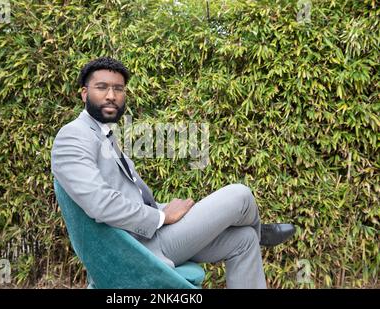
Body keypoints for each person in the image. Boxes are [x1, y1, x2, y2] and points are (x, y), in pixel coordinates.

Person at [51, 57, 295, 288]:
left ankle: (254, 232)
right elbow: (100, 203)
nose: (111, 96)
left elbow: (127, 197)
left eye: (118, 89)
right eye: (101, 87)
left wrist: (163, 209)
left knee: (243, 239)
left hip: (151, 235)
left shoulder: (103, 134)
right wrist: (162, 218)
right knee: (240, 195)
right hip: (139, 248)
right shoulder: (73, 135)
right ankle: (260, 229)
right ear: (84, 93)